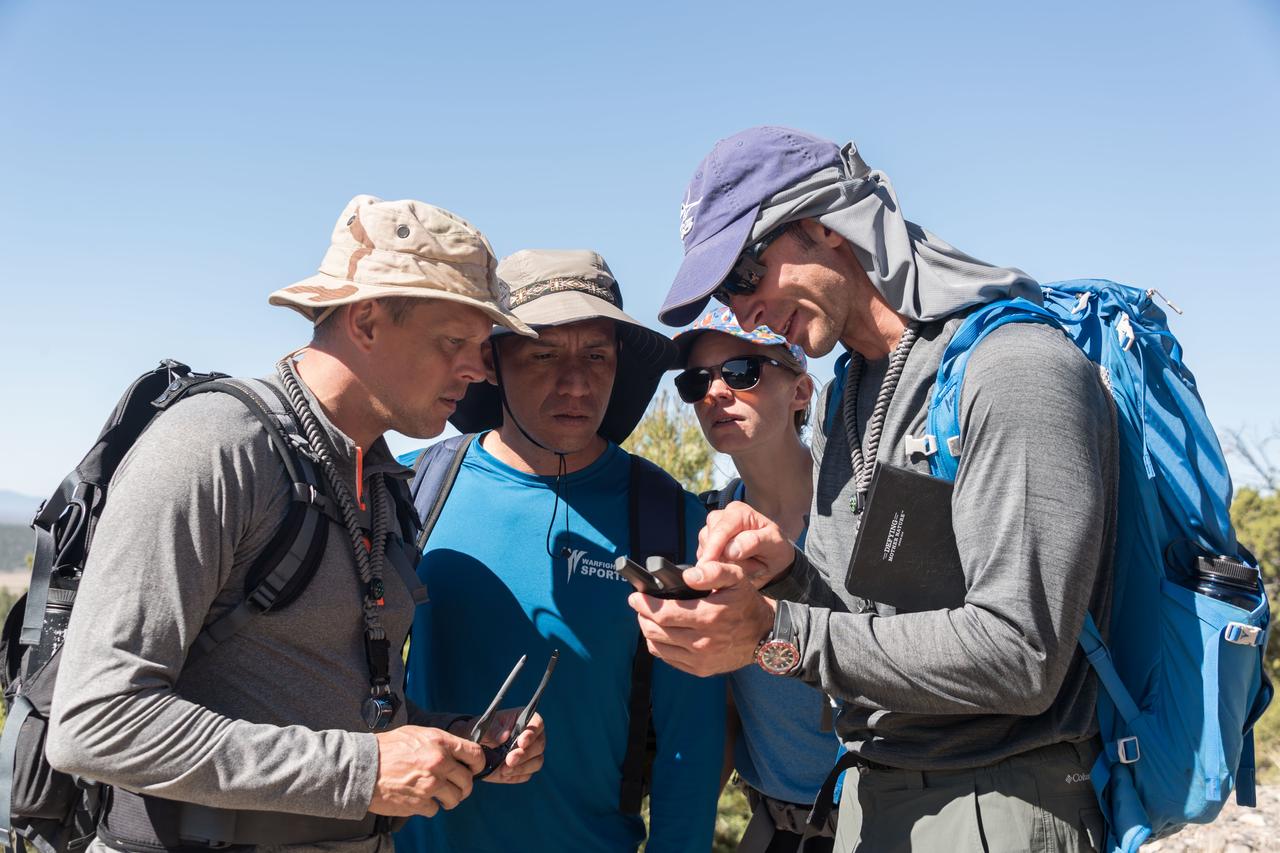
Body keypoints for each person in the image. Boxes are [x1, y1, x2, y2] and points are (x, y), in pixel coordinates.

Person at [633, 127, 1118, 852]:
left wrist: (773, 629)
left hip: (994, 804)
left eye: (742, 276)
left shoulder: (1013, 366)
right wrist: (787, 574)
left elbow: (1020, 654)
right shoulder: (846, 400)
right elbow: (869, 627)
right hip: (872, 794)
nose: (744, 314)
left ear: (824, 223)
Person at [46, 195, 547, 853]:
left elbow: (329, 707)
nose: (479, 370)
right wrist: (363, 770)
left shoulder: (381, 481)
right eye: (454, 341)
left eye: (482, 348)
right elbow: (94, 722)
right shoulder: (217, 447)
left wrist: (453, 737)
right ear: (366, 320)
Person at [395, 249, 726, 853]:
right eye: (544, 354)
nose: (576, 382)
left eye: (597, 356)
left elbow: (692, 738)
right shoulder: (410, 490)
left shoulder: (667, 518)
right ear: (492, 363)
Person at [672, 306, 839, 853]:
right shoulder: (705, 534)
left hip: (889, 821)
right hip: (775, 830)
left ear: (801, 392)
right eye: (697, 380)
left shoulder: (866, 519)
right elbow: (720, 714)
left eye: (742, 370)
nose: (715, 392)